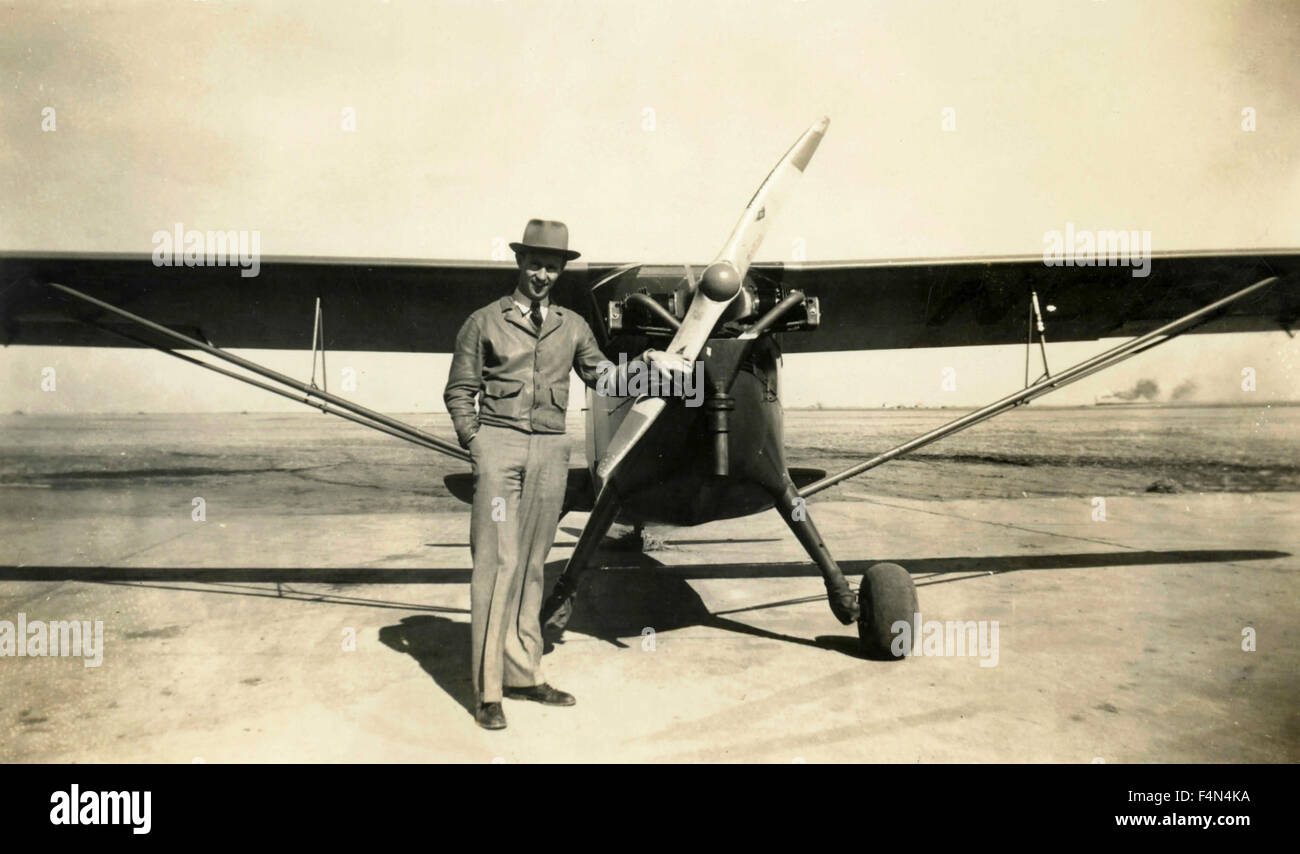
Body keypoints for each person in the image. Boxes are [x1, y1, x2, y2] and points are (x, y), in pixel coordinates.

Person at [443, 219, 685, 730]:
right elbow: (459, 391)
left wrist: (649, 364)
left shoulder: (572, 326)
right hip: (499, 449)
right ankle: (488, 692)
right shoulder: (483, 322)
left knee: (532, 564)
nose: (542, 275)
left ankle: (525, 674)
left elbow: (604, 376)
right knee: (495, 564)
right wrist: (478, 443)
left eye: (551, 267)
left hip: (551, 454)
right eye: (535, 264)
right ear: (519, 263)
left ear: (560, 271)